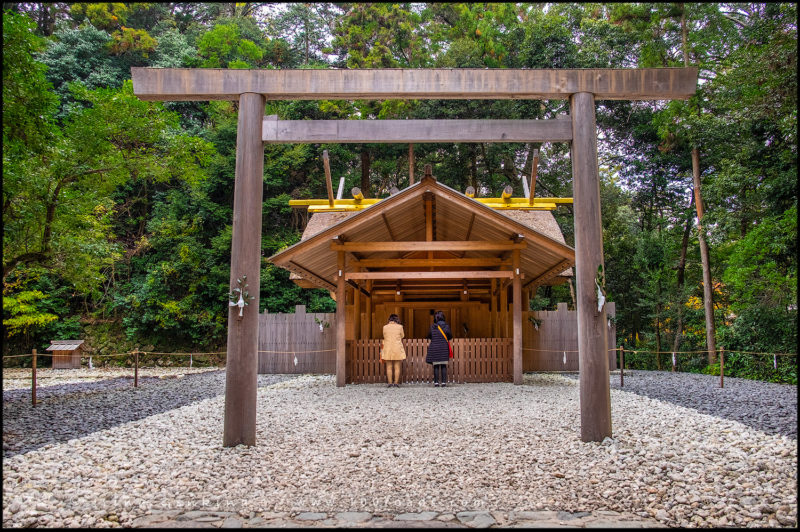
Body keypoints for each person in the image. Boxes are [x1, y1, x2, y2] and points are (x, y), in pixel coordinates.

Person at [426, 310, 453, 387]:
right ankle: (444, 382)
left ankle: (436, 383)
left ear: (436, 318)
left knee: (436, 365)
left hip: (435, 347)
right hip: (444, 347)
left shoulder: (433, 327)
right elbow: (450, 336)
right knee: (444, 365)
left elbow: (429, 336)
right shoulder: (446, 326)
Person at [382, 314, 406, 387]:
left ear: (389, 319)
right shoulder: (400, 327)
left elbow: (384, 335)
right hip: (397, 348)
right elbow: (402, 336)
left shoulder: (385, 327)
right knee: (397, 367)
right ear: (397, 319)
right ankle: (396, 383)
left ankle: (390, 383)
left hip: (388, 348)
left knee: (389, 366)